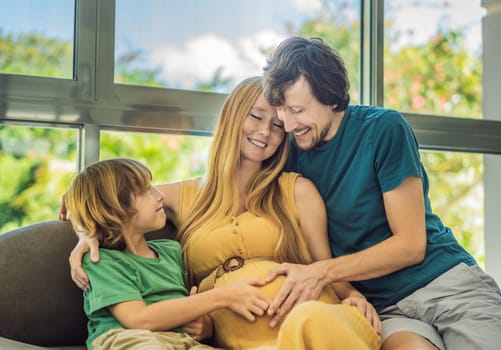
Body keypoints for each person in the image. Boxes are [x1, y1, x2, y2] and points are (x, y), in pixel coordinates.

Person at [64, 77, 381, 350]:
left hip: (318, 320)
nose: (265, 132)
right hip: (245, 339)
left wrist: (353, 296)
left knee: (307, 319)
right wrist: (86, 235)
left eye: (277, 126)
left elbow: (325, 265)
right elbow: (101, 198)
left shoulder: (297, 189)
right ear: (232, 116)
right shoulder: (182, 195)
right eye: (256, 117)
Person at [260, 36, 501, 350]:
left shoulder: (383, 129)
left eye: (297, 110)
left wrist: (321, 273)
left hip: (445, 283)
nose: (288, 124)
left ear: (330, 97)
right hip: (387, 310)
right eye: (281, 113)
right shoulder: (289, 152)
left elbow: (411, 246)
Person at [64, 158, 273, 350]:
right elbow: (139, 319)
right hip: (130, 339)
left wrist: (206, 324)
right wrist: (223, 297)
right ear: (114, 209)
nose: (160, 195)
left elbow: (189, 303)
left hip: (183, 341)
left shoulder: (171, 251)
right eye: (146, 191)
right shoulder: (101, 261)